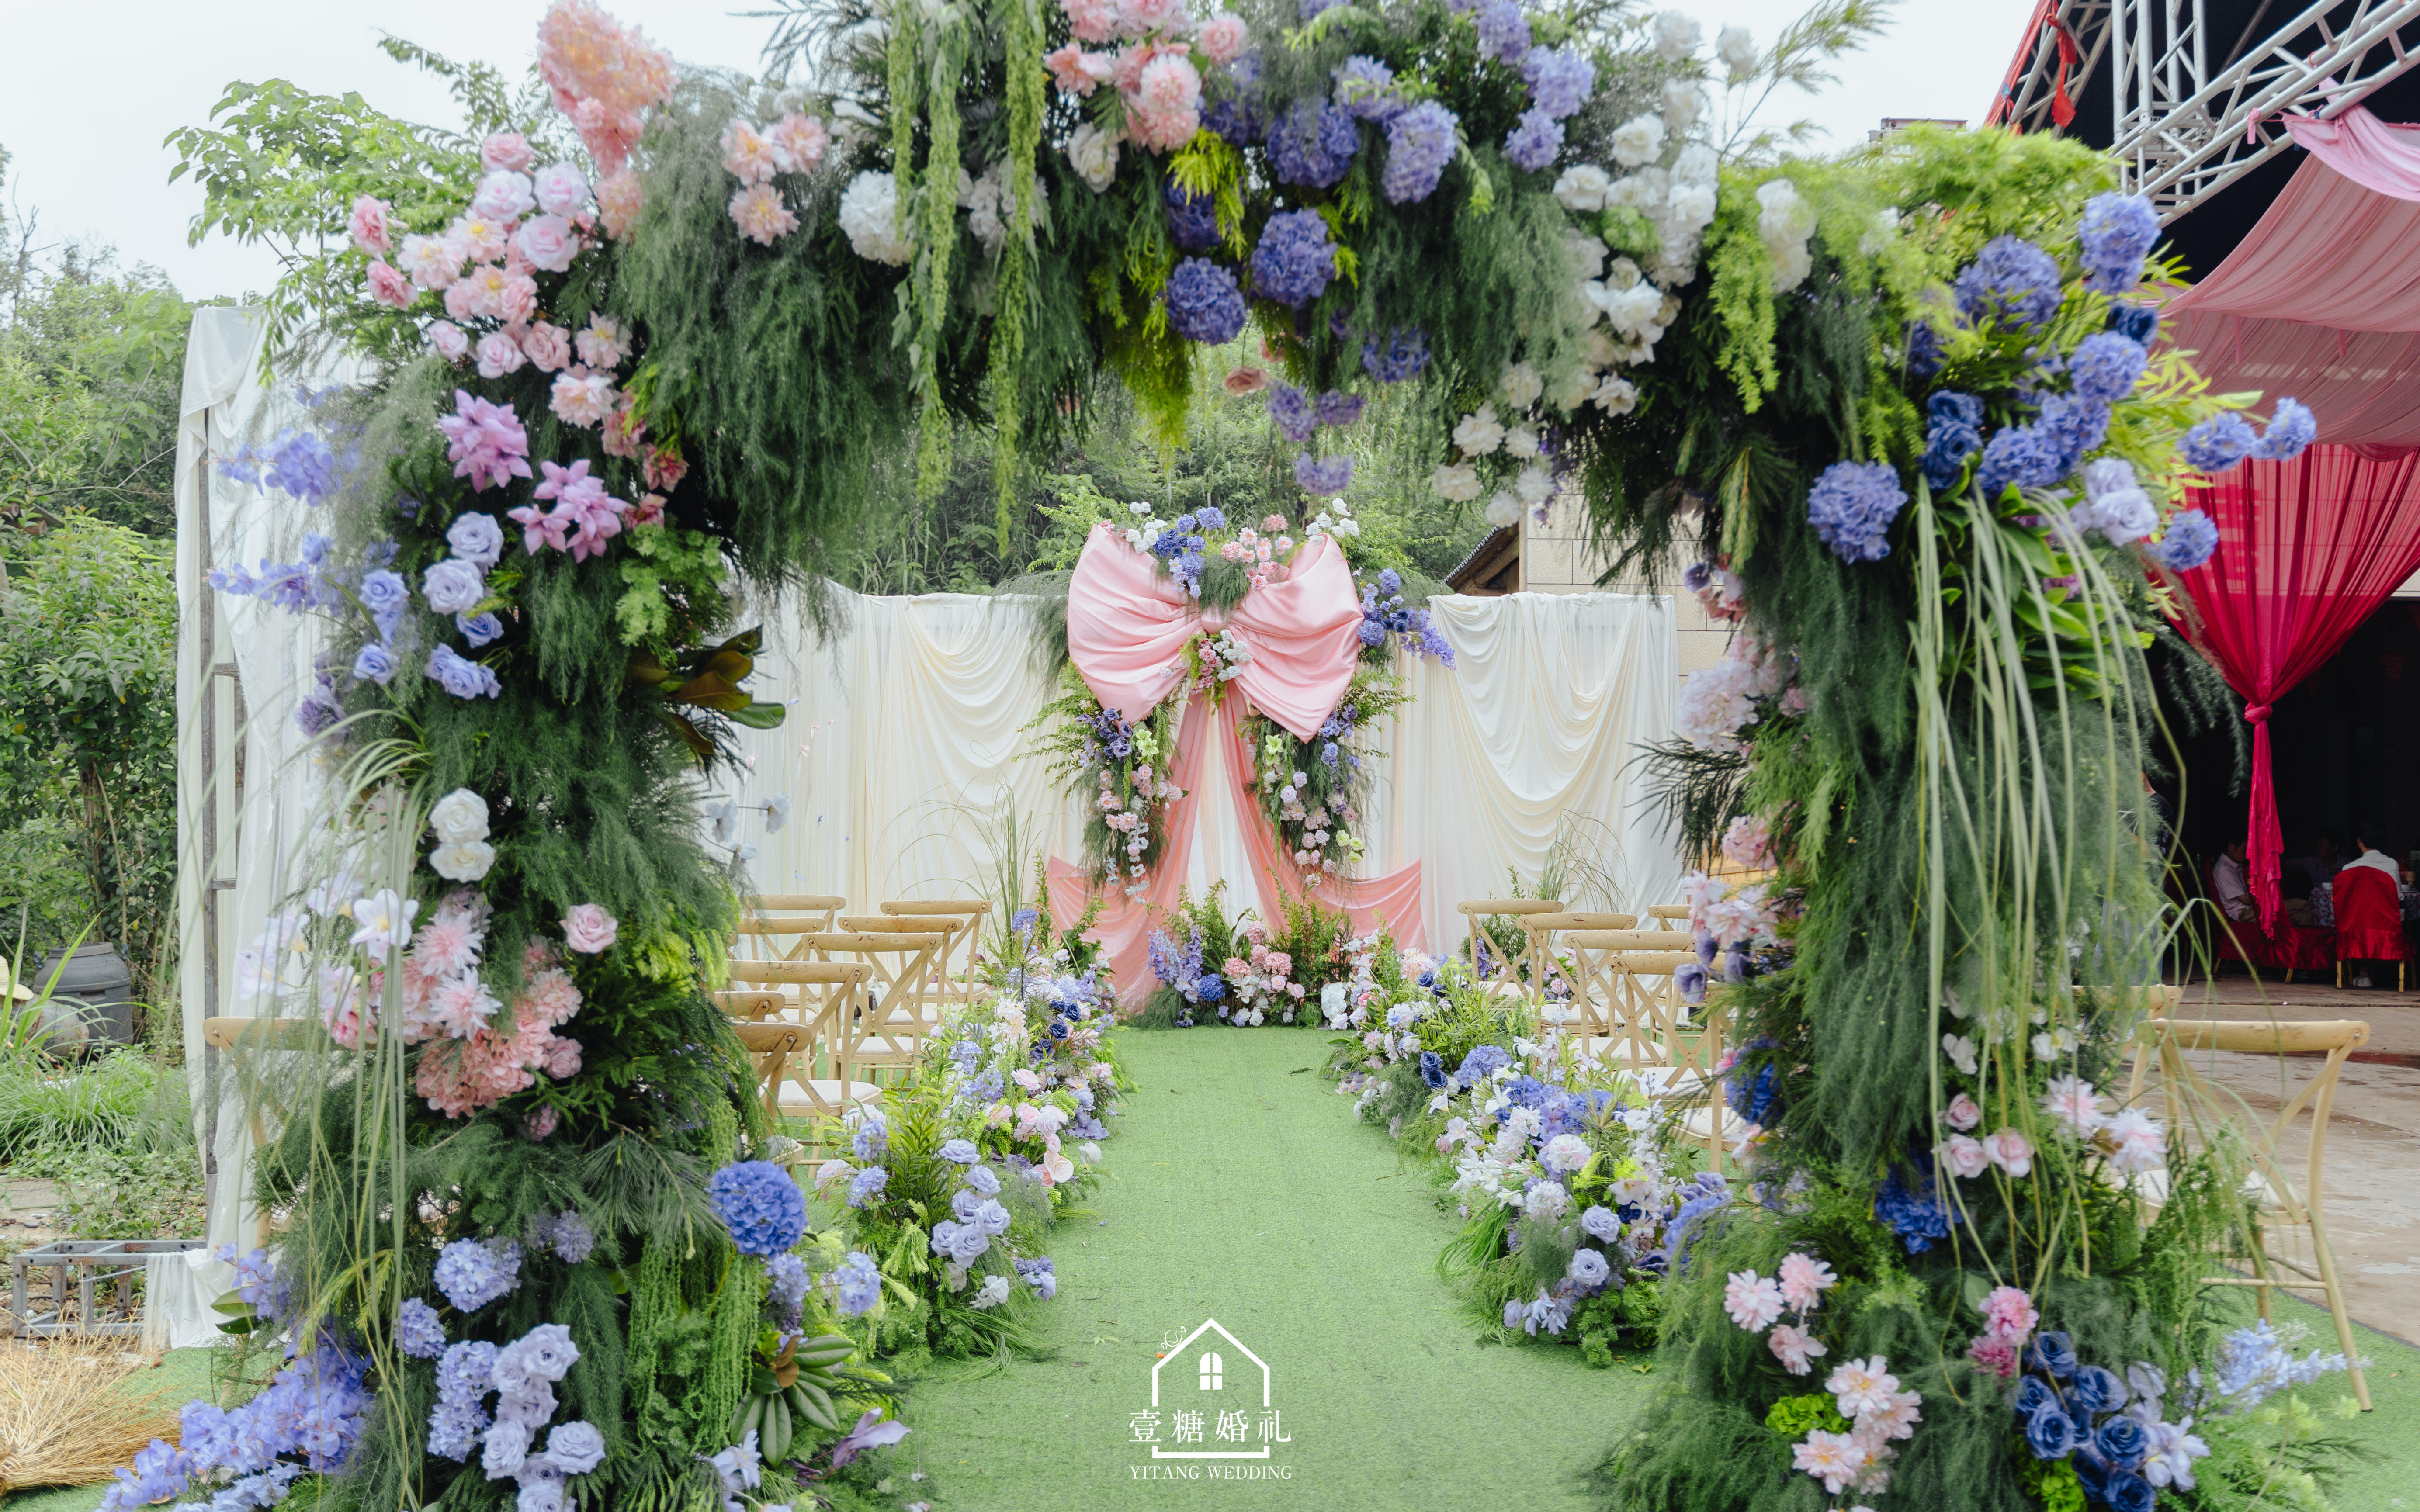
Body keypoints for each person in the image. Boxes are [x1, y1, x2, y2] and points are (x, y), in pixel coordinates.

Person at [2212, 838, 2254, 923]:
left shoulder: (2236, 864)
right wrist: (2265, 902)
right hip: (2242, 911)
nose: (2246, 854)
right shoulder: (2224, 869)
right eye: (2243, 851)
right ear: (2231, 847)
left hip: (2248, 907)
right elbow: (2245, 900)